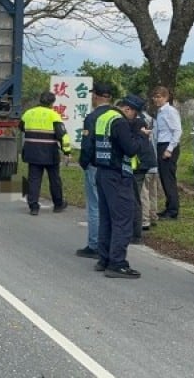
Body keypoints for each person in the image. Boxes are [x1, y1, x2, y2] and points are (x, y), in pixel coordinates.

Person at [93, 102, 142, 278]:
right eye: (134, 114)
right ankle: (117, 263)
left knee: (106, 219)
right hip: (118, 174)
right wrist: (139, 135)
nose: (134, 118)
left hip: (102, 171)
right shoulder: (120, 122)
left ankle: (104, 259)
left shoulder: (102, 118)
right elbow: (130, 149)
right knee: (123, 219)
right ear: (128, 109)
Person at [76, 82, 117, 258]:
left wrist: (84, 163)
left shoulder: (92, 117)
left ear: (96, 96)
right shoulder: (117, 115)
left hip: (95, 166)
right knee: (109, 207)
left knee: (95, 206)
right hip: (113, 167)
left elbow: (87, 146)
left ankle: (94, 245)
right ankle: (110, 245)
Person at [20, 91, 72, 216]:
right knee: (54, 179)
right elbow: (62, 135)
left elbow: (21, 127)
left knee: (34, 180)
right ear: (52, 103)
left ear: (40, 100)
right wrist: (67, 151)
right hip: (50, 153)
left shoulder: (28, 113)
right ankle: (58, 204)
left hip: (32, 152)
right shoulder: (54, 115)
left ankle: (33, 207)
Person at [116, 94, 156, 245]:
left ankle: (135, 233)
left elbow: (132, 143)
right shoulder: (135, 121)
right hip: (138, 163)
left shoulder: (136, 122)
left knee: (134, 197)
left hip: (139, 164)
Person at [151, 86, 182, 219]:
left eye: (160, 97)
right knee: (164, 178)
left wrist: (169, 149)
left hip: (168, 145)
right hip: (161, 144)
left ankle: (173, 210)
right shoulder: (160, 112)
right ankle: (169, 206)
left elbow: (177, 131)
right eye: (155, 96)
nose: (157, 99)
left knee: (168, 179)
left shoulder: (170, 111)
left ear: (166, 97)